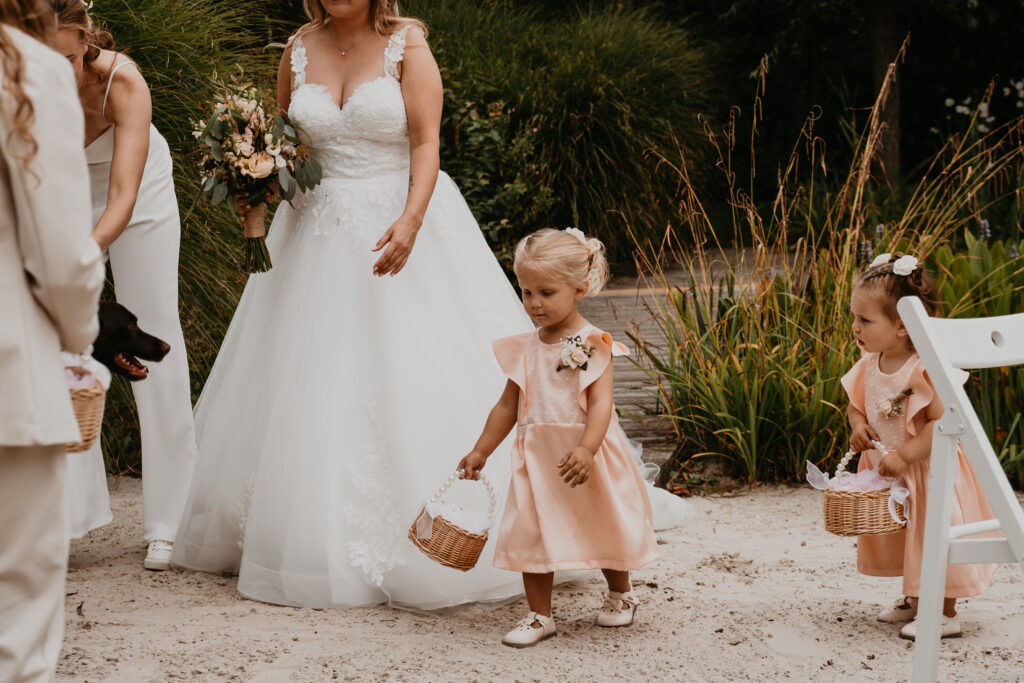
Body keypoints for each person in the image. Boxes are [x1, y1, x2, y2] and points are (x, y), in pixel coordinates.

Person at [171, 0, 534, 609]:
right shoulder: (297, 47)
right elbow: (284, 148)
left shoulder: (407, 43)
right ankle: (299, 531)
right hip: (312, 233)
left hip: (400, 217)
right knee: (309, 379)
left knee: (413, 364)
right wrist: (253, 197)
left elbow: (425, 142)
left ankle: (445, 525)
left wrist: (411, 221)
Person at [458, 228, 666, 648]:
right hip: (538, 459)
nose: (534, 303)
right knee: (531, 530)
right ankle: (539, 615)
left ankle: (620, 594)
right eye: (527, 291)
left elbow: (603, 405)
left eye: (546, 292)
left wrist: (588, 448)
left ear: (580, 288)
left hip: (585, 453)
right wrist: (481, 449)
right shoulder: (525, 347)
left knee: (602, 519)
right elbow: (506, 406)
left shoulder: (592, 343)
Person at [50, 0, 198, 570]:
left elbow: (122, 197)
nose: (56, 73)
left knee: (153, 330)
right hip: (62, 190)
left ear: (87, 40)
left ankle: (170, 519)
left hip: (137, 196)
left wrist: (86, 254)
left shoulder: (122, 80)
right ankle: (65, 515)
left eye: (67, 58)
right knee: (62, 339)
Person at [0, 1, 105, 678]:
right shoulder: (28, 70)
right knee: (16, 610)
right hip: (9, 371)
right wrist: (77, 337)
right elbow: (63, 256)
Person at [843, 252, 998, 640]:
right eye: (855, 317)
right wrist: (858, 426)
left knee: (933, 533)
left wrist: (906, 455)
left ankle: (945, 610)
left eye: (865, 320)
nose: (855, 327)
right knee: (906, 538)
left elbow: (943, 422)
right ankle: (914, 598)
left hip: (928, 468)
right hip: (890, 470)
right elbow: (854, 405)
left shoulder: (921, 367)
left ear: (901, 326)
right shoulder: (869, 362)